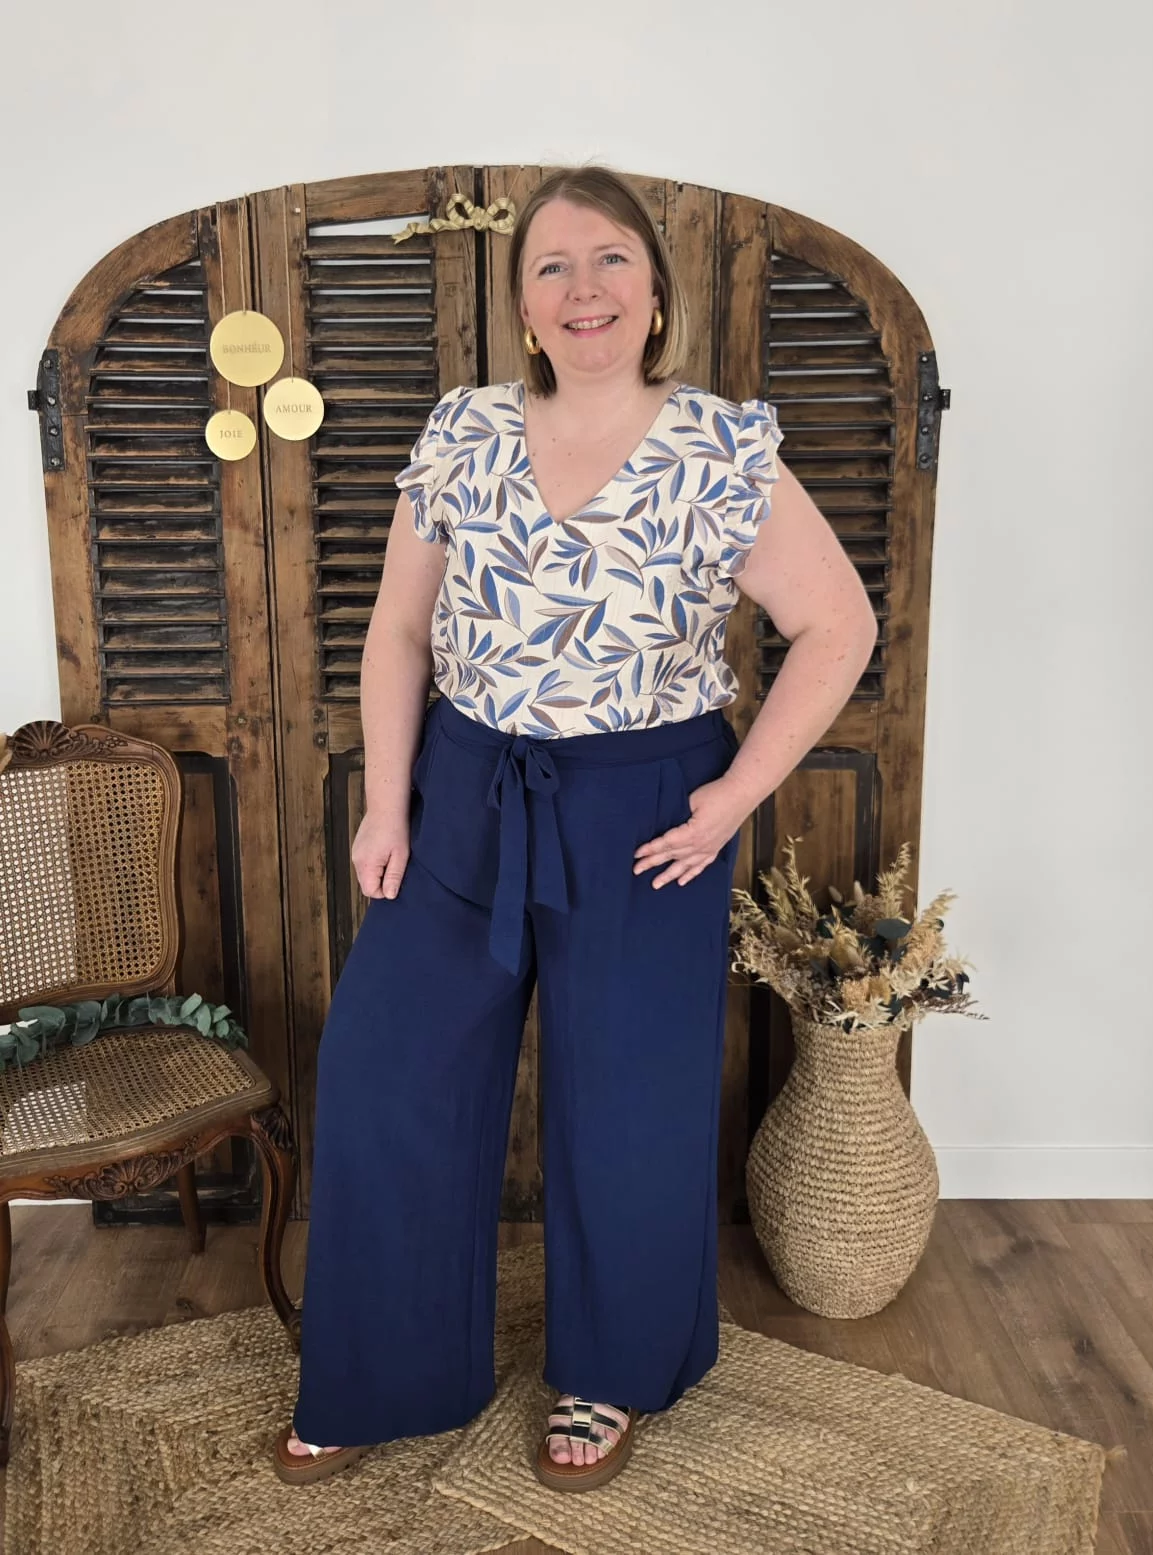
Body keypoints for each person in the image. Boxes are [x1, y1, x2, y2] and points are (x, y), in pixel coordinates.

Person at [274, 164, 878, 1491]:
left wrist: (732, 795)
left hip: (647, 806)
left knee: (630, 1101)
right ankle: (378, 1370)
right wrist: (387, 801)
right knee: (389, 1075)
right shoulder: (463, 430)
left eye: (610, 260)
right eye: (551, 265)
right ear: (522, 305)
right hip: (465, 790)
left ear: (655, 293)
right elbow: (397, 630)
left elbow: (837, 624)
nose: (582, 288)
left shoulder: (719, 448)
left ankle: (608, 1372)